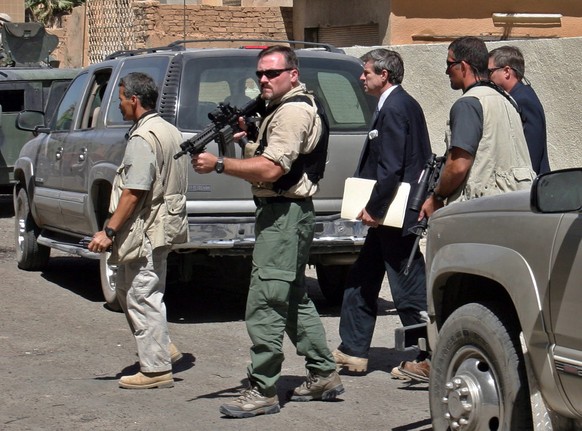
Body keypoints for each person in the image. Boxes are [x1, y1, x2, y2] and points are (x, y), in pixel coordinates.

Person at [191, 45, 344, 418]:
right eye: (260, 73)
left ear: (293, 74)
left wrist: (219, 164)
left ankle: (262, 389)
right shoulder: (281, 110)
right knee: (291, 297)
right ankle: (323, 372)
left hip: (284, 215)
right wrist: (247, 140)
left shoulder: (292, 112)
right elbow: (268, 160)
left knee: (265, 302)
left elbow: (273, 170)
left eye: (272, 73)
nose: (263, 79)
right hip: (282, 213)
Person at [331, 49, 433, 382]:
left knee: (408, 286)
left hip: (394, 214)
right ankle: (353, 349)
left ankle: (430, 356)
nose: (362, 77)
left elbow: (392, 167)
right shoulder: (398, 104)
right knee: (362, 278)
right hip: (390, 213)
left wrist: (374, 208)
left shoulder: (396, 107)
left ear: (384, 75)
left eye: (366, 72)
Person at [89, 72, 188, 389]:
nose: (118, 106)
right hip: (161, 226)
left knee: (142, 295)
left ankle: (156, 370)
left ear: (134, 99)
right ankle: (163, 348)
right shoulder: (170, 131)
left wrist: (109, 231)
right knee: (129, 290)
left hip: (145, 229)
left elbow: (134, 192)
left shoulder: (144, 138)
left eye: (120, 99)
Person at [420, 37, 536, 223]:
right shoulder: (507, 99)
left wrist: (437, 197)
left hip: (482, 211)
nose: (446, 71)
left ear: (464, 66)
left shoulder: (469, 103)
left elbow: (458, 165)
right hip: (518, 206)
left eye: (449, 64)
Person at [488, 45, 550, 174]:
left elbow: (532, 148)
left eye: (490, 72)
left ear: (506, 71)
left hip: (529, 184)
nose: (487, 77)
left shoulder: (523, 99)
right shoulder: (515, 96)